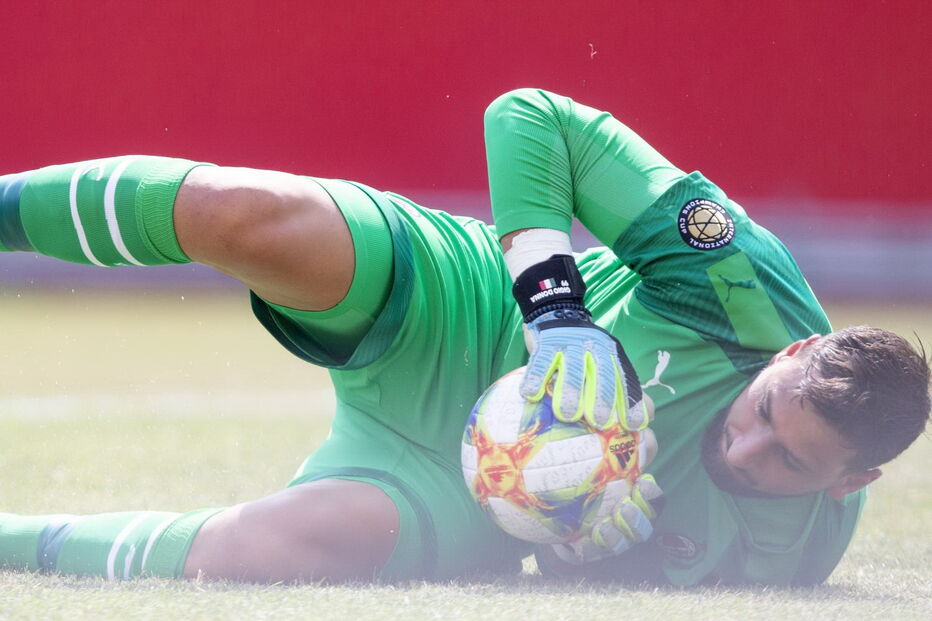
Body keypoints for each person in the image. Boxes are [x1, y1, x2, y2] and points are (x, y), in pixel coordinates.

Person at [0, 89, 928, 586]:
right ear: (790, 355)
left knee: (274, 554)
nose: (746, 447)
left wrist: (578, 551)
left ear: (852, 484)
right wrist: (557, 309)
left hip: (465, 495)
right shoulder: (740, 283)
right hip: (474, 306)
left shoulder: (787, 555)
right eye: (763, 411)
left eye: (790, 463)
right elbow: (531, 116)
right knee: (239, 212)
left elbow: (583, 589)